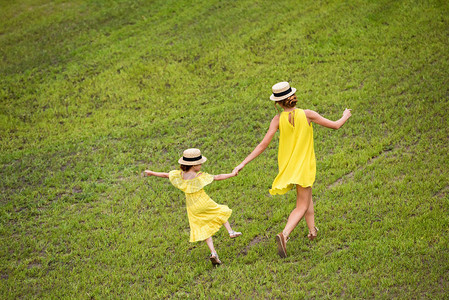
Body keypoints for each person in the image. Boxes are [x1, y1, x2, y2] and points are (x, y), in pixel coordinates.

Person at [233, 81, 352, 258]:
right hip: (304, 166)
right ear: (293, 98)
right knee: (302, 205)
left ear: (277, 103)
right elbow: (335, 125)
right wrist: (345, 115)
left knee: (306, 196)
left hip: (289, 167)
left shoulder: (277, 119)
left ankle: (312, 231)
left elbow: (263, 144)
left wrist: (243, 162)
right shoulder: (308, 114)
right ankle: (285, 234)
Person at [144, 148, 242, 266]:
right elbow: (218, 176)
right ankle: (230, 231)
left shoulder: (180, 175)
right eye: (200, 163)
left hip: (192, 207)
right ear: (195, 165)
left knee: (203, 227)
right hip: (203, 202)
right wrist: (232, 174)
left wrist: (151, 172)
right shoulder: (199, 176)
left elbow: (165, 175)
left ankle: (213, 253)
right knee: (220, 211)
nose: (201, 165)